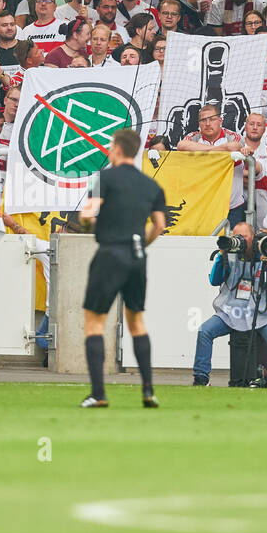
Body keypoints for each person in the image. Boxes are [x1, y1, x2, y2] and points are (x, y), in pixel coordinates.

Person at [78, 128, 167, 409]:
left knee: (94, 322)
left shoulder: (105, 177)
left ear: (117, 149)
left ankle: (98, 393)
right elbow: (160, 225)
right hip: (137, 255)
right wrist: (143, 243)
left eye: (110, 146)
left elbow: (86, 215)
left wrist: (91, 226)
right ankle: (148, 390)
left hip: (110, 253)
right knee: (137, 321)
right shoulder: (152, 186)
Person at [191, 223, 267, 388]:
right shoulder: (229, 252)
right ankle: (201, 377)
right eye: (236, 236)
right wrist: (222, 255)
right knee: (204, 331)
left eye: (244, 237)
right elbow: (215, 280)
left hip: (260, 313)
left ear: (253, 237)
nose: (240, 240)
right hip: (230, 312)